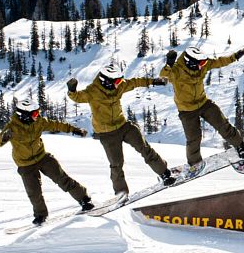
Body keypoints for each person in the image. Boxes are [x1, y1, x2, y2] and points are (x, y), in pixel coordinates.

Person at [67, 62, 175, 196]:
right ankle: (121, 193)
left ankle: (164, 173)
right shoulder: (92, 92)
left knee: (144, 148)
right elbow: (78, 97)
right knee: (116, 164)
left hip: (123, 126)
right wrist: (71, 90)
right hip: (107, 134)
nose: (120, 83)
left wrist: (154, 81)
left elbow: (135, 82)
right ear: (106, 81)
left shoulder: (118, 86)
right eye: (117, 81)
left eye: (120, 80)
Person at [0, 98, 93, 225]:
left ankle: (84, 199)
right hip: (25, 165)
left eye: (37, 112)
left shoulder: (39, 122)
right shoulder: (12, 128)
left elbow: (56, 124)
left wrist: (74, 130)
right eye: (35, 113)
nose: (38, 115)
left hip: (42, 157)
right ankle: (40, 215)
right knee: (34, 193)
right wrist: (3, 137)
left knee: (62, 179)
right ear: (25, 115)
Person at [161, 46, 244, 164]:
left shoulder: (202, 65)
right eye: (201, 63)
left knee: (223, 124)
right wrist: (169, 64)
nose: (203, 65)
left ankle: (240, 146)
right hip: (187, 110)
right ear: (191, 62)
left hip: (203, 103)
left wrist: (238, 54)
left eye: (204, 62)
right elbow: (163, 76)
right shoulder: (177, 71)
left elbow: (220, 61)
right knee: (194, 139)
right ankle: (195, 163)